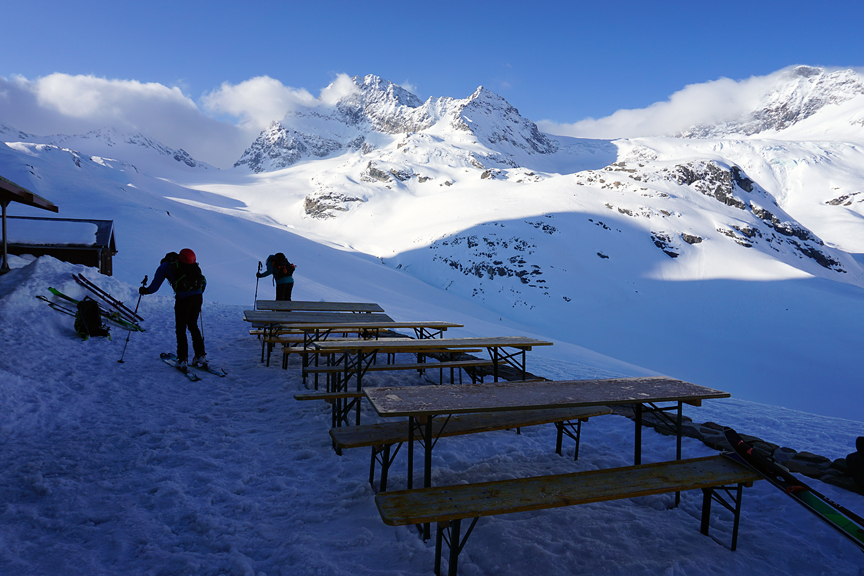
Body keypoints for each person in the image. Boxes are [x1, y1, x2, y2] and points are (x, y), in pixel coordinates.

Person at [140, 248, 208, 371]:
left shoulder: (166, 266)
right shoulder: (192, 265)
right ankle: (200, 356)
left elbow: (154, 287)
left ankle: (182, 360)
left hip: (183, 299)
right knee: (193, 325)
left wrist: (144, 291)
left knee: (181, 329)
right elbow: (204, 283)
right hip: (198, 298)